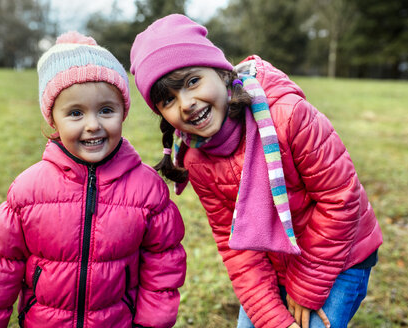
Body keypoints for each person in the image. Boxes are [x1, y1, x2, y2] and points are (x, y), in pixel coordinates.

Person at [129, 14, 382, 328]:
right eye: (168, 98)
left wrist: (305, 287)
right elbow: (234, 245)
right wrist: (271, 317)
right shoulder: (197, 159)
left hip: (341, 255)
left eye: (193, 81)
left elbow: (341, 200)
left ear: (221, 73)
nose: (186, 103)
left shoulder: (289, 115)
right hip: (277, 263)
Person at [0, 31, 186, 328]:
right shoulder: (28, 191)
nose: (93, 125)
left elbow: (163, 268)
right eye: (75, 113)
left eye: (106, 110)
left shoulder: (148, 191)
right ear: (53, 118)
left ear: (123, 113)